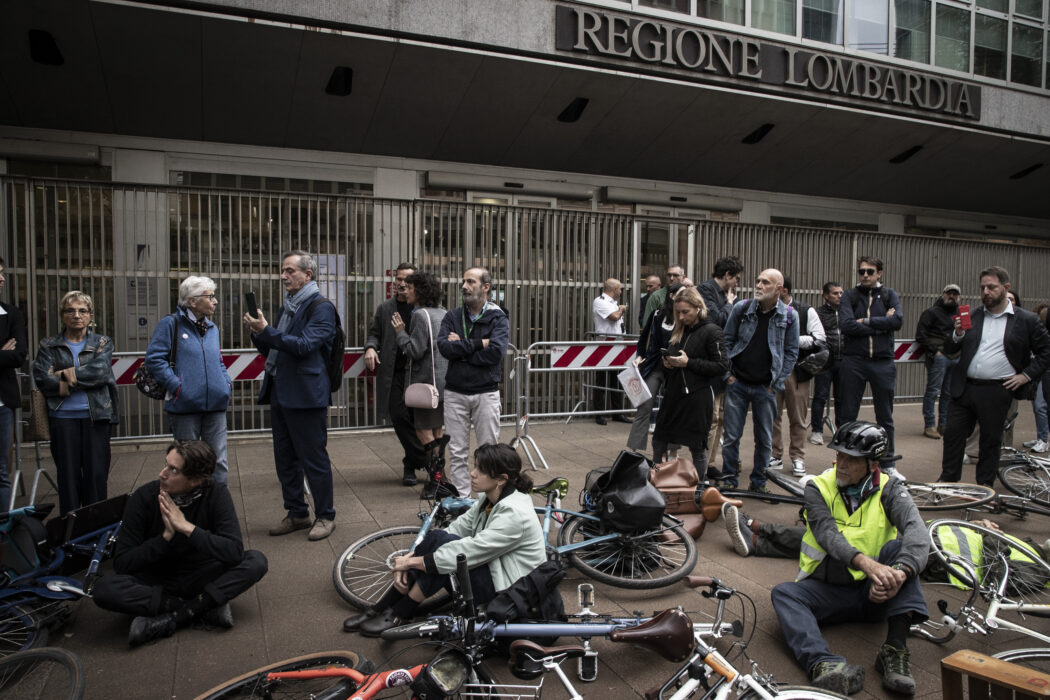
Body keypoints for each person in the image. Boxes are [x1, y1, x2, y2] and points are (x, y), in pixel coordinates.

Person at [770, 421, 929, 696]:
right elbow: (827, 534)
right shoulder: (818, 487)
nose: (839, 462)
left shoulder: (891, 489)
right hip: (832, 591)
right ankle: (824, 664)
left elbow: (917, 530)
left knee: (899, 548)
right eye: (838, 454)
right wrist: (868, 565)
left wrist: (899, 574)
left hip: (878, 592)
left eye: (850, 458)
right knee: (784, 593)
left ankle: (894, 650)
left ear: (872, 463)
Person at [342, 443, 546, 636]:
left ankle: (399, 611)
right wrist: (409, 559)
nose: (472, 474)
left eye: (480, 470)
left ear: (501, 479)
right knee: (439, 538)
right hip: (495, 574)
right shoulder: (489, 498)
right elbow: (457, 527)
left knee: (450, 556)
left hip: (510, 596)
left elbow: (473, 549)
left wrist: (411, 562)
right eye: (474, 467)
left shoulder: (514, 513)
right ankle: (385, 609)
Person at [92, 440, 268, 647]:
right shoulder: (143, 498)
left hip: (201, 575)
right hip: (157, 581)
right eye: (165, 464)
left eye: (173, 470)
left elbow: (234, 551)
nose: (162, 473)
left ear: (194, 480)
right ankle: (200, 609)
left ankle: (172, 618)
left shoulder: (216, 493)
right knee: (103, 588)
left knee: (256, 561)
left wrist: (187, 528)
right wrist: (165, 538)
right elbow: (122, 563)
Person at [245, 250, 338, 541]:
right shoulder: (289, 306)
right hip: (281, 390)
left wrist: (268, 331)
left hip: (307, 395)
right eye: (282, 271)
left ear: (307, 275)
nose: (283, 276)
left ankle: (326, 515)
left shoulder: (321, 307)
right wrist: (258, 333)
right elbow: (275, 348)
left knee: (313, 459)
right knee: (284, 458)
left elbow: (303, 345)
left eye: (290, 271)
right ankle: (297, 513)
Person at [938, 267, 1050, 487]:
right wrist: (958, 333)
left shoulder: (1026, 320)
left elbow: (1046, 352)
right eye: (982, 288)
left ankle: (985, 486)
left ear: (1006, 288)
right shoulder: (973, 316)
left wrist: (1025, 376)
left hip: (997, 390)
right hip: (964, 388)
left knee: (990, 440)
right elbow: (950, 348)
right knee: (952, 435)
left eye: (991, 287)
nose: (986, 292)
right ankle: (948, 481)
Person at [32, 291, 118, 515]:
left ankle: (96, 531)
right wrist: (78, 379)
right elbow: (43, 378)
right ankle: (70, 535)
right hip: (62, 419)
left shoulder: (102, 342)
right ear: (62, 316)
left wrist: (61, 375)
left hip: (96, 418)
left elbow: (100, 372)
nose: (77, 315)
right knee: (68, 480)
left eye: (82, 311)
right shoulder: (49, 345)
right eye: (70, 311)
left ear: (90, 315)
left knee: (96, 477)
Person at [145, 276, 232, 484]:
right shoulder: (171, 324)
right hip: (184, 405)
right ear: (192, 301)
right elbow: (155, 359)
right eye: (210, 296)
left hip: (216, 404)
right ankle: (189, 505)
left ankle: (219, 506)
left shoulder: (212, 328)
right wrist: (177, 387)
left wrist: (225, 383)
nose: (215, 301)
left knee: (218, 460)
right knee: (187, 461)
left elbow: (218, 360)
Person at [719, 269, 799, 494]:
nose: (759, 285)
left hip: (766, 387)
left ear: (779, 289)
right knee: (732, 436)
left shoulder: (790, 315)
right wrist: (728, 376)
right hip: (738, 383)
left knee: (764, 439)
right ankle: (729, 480)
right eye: (758, 281)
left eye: (766, 282)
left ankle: (759, 483)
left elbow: (791, 353)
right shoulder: (742, 308)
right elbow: (726, 341)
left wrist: (776, 383)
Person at [437, 267, 510, 498]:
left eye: (470, 282)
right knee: (457, 452)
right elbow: (445, 348)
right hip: (455, 393)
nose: (464, 286)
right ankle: (462, 501)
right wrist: (480, 343)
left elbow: (496, 354)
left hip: (485, 393)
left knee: (487, 451)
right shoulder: (452, 316)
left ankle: (484, 503)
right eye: (463, 281)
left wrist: (463, 346)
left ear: (485, 287)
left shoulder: (498, 317)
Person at [651, 287, 728, 479]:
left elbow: (721, 366)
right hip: (673, 394)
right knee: (659, 440)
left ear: (698, 308)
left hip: (697, 396)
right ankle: (657, 482)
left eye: (686, 312)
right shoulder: (679, 330)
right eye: (678, 312)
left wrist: (689, 363)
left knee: (697, 446)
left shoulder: (712, 331)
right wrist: (668, 363)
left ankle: (699, 487)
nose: (682, 316)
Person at [837, 256, 903, 478]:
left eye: (870, 271)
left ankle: (888, 462)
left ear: (879, 273)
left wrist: (864, 322)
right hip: (854, 361)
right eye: (862, 271)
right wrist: (880, 324)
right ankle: (844, 460)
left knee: (885, 415)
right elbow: (846, 325)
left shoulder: (889, 295)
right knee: (847, 414)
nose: (865, 275)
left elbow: (897, 322)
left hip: (882, 362)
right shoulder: (849, 295)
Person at [364, 263, 430, 486]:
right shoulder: (385, 308)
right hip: (393, 374)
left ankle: (410, 466)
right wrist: (370, 347)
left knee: (416, 419)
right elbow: (374, 334)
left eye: (407, 280)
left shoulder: (422, 308)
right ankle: (428, 458)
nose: (402, 284)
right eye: (399, 279)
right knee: (398, 416)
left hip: (418, 374)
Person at [393, 271, 449, 492]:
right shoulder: (443, 312)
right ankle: (439, 477)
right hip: (443, 383)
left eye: (410, 287)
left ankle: (437, 477)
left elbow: (415, 351)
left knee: (422, 431)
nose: (405, 291)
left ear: (419, 290)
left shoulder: (419, 315)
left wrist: (400, 333)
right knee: (437, 431)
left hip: (426, 383)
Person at [770, 276, 826, 476]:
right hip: (773, 370)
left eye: (770, 286)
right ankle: (775, 455)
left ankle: (798, 457)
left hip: (798, 370)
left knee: (798, 417)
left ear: (783, 290)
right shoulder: (765, 309)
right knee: (771, 415)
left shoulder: (806, 310)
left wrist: (791, 340)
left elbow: (819, 338)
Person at [697, 256, 743, 472]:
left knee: (722, 417)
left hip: (724, 360)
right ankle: (703, 464)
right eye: (736, 279)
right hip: (710, 360)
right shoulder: (706, 290)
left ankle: (711, 462)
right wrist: (731, 305)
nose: (737, 284)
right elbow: (716, 318)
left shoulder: (724, 294)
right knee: (713, 417)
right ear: (727, 275)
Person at [626, 283, 681, 454]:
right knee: (644, 407)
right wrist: (639, 356)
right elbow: (644, 339)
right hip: (654, 366)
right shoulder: (657, 315)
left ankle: (672, 453)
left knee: (671, 409)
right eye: (681, 294)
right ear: (671, 296)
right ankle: (632, 451)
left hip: (674, 368)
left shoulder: (685, 318)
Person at [915, 284, 962, 440]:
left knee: (948, 393)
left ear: (959, 297)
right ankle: (929, 425)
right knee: (933, 391)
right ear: (943, 294)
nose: (952, 296)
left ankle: (944, 424)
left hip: (955, 357)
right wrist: (936, 351)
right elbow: (921, 335)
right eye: (949, 293)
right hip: (939, 357)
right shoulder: (931, 313)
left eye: (955, 294)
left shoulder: (962, 314)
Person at [0, 258, 27, 512]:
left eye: (2, 273)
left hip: (2, 404)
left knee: (1, 471)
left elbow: (19, 356)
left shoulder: (12, 314)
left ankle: (3, 532)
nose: (2, 279)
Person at [809, 282, 844, 446]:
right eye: (835, 293)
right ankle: (817, 430)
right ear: (826, 295)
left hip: (843, 360)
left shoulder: (846, 312)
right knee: (820, 396)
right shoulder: (818, 313)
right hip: (825, 361)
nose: (839, 296)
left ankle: (842, 430)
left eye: (841, 293)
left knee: (842, 397)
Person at [592, 278, 629, 425]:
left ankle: (617, 413)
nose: (621, 291)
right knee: (601, 379)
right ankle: (599, 414)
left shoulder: (612, 302)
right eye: (620, 289)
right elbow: (614, 317)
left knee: (617, 379)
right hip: (605, 344)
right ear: (614, 289)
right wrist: (621, 309)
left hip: (617, 344)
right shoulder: (600, 301)